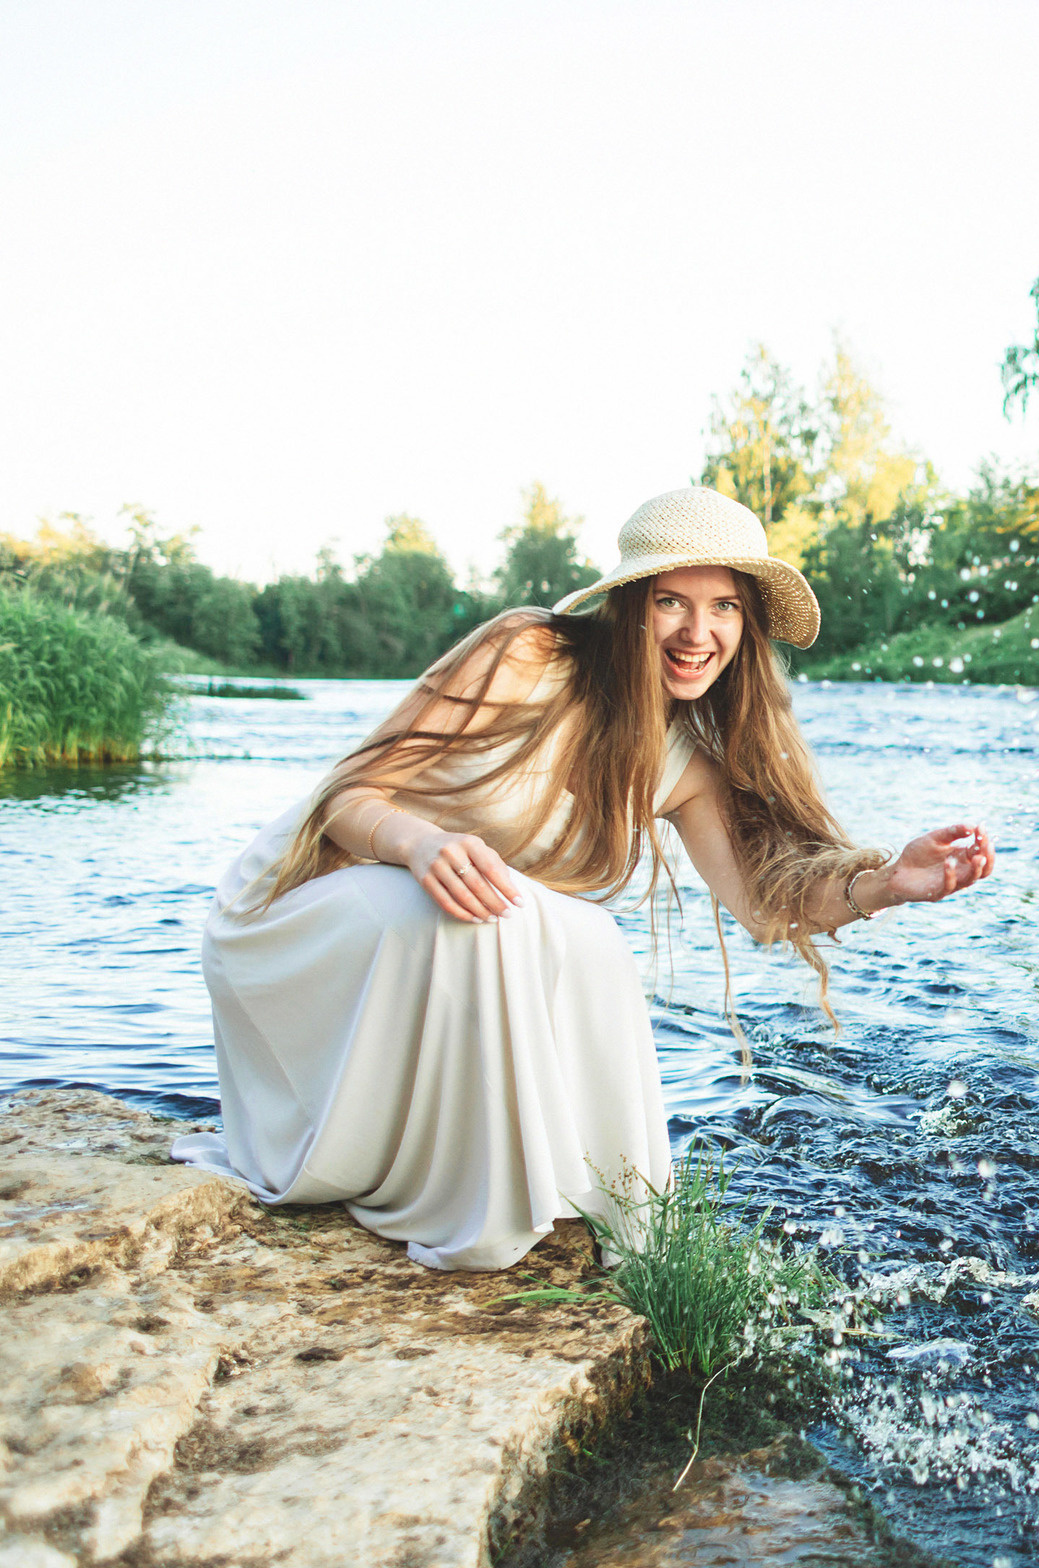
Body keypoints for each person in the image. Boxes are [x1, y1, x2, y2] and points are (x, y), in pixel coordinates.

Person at [180, 486, 992, 1269]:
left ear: (746, 625)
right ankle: (471, 1201)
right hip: (304, 909)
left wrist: (887, 883)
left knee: (584, 937)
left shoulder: (683, 766)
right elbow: (349, 795)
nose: (697, 631)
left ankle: (623, 1224)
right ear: (629, 603)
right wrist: (418, 843)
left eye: (724, 607)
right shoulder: (525, 652)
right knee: (493, 916)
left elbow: (763, 904)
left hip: (434, 937)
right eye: (672, 601)